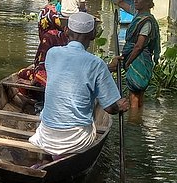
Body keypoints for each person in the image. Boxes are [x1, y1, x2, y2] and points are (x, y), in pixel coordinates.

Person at [29, 11, 129, 156]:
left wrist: (106, 69)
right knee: (95, 105)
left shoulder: (52, 53)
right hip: (76, 140)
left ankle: (50, 156)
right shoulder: (97, 64)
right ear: (93, 35)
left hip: (47, 135)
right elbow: (110, 108)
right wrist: (120, 106)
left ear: (66, 30)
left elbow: (72, 70)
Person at [111, 0, 160, 118]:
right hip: (136, 58)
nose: (136, 1)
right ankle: (138, 119)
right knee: (138, 94)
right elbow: (120, 2)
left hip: (139, 59)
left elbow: (139, 46)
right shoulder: (137, 13)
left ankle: (133, 123)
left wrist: (128, 62)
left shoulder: (147, 22)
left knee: (134, 94)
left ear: (148, 2)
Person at [15, 4, 69, 90]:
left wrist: (32, 82)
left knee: (21, 73)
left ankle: (36, 95)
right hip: (63, 77)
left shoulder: (48, 37)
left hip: (49, 81)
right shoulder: (65, 36)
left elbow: (42, 63)